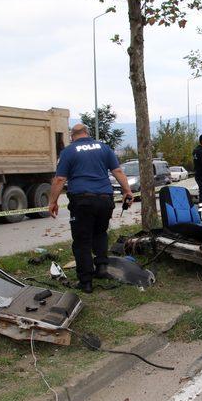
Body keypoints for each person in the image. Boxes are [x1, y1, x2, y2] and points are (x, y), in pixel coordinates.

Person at [48, 124, 133, 294]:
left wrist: (52, 202)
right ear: (87, 134)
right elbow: (117, 170)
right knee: (100, 233)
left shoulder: (69, 151)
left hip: (82, 201)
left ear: (72, 136)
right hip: (105, 200)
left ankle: (86, 281)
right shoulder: (103, 147)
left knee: (82, 241)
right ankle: (101, 268)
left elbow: (59, 179)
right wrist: (127, 191)